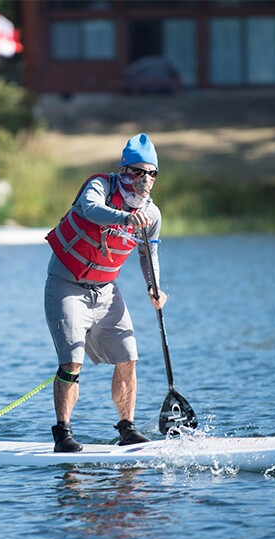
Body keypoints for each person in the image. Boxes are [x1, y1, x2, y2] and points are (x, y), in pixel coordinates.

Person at [44, 133, 168, 452]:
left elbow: (148, 253)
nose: (145, 179)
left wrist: (154, 288)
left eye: (152, 173)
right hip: (67, 285)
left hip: (107, 292)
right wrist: (126, 217)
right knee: (72, 361)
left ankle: (126, 428)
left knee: (128, 356)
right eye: (138, 171)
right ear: (124, 169)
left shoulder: (151, 215)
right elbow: (89, 210)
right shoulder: (101, 185)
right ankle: (63, 434)